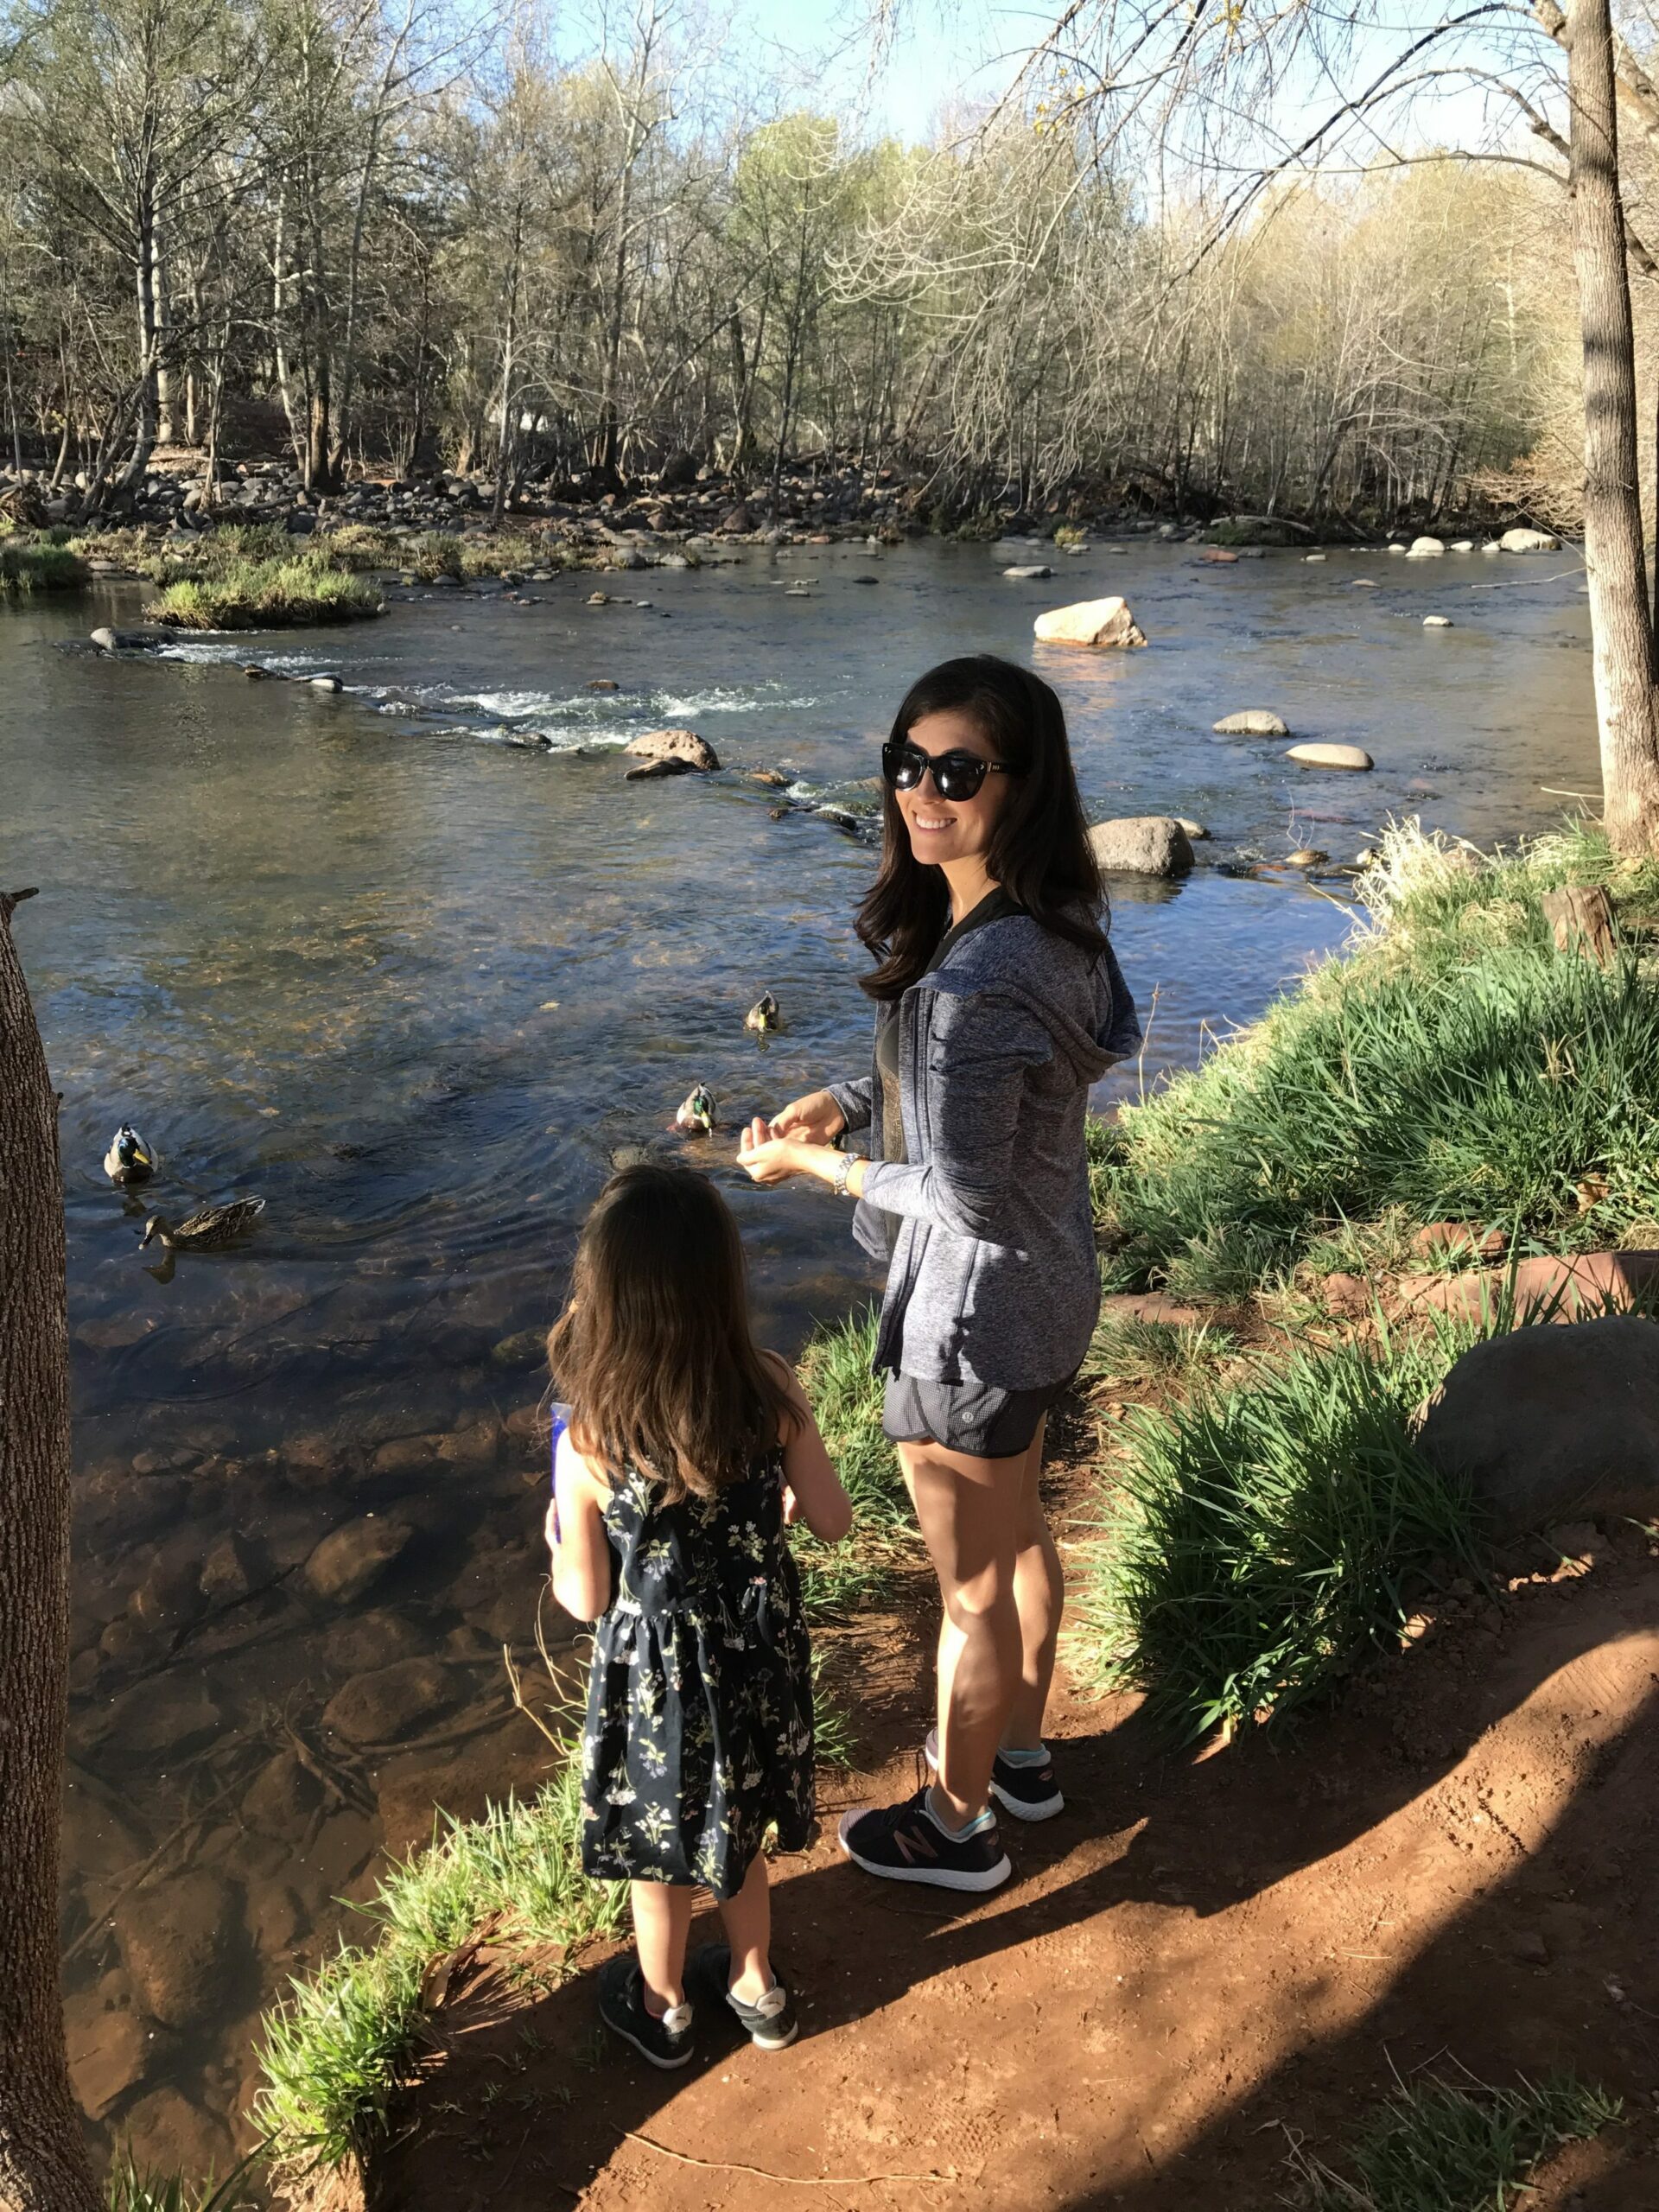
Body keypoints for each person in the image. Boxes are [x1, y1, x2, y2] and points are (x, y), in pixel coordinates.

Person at [736, 654, 1139, 1894]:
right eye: (905, 765)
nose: (921, 791)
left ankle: (956, 1827)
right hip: (1048, 1285)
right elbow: (1000, 1098)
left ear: (1020, 784)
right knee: (1019, 1539)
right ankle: (1023, 1755)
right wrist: (855, 1102)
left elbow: (959, 1191)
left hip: (962, 1319)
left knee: (969, 1587)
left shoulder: (972, 979)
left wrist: (821, 1170)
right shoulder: (1050, 929)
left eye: (956, 771)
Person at [546, 1163, 852, 2069]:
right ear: (725, 1278)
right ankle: (758, 1988)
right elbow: (832, 1519)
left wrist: (564, 1528)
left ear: (605, 1295)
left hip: (655, 1692)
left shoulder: (593, 1432)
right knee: (741, 1825)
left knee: (658, 1853)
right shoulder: (770, 1388)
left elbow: (588, 1597)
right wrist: (780, 1514)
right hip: (754, 1664)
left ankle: (665, 2003)